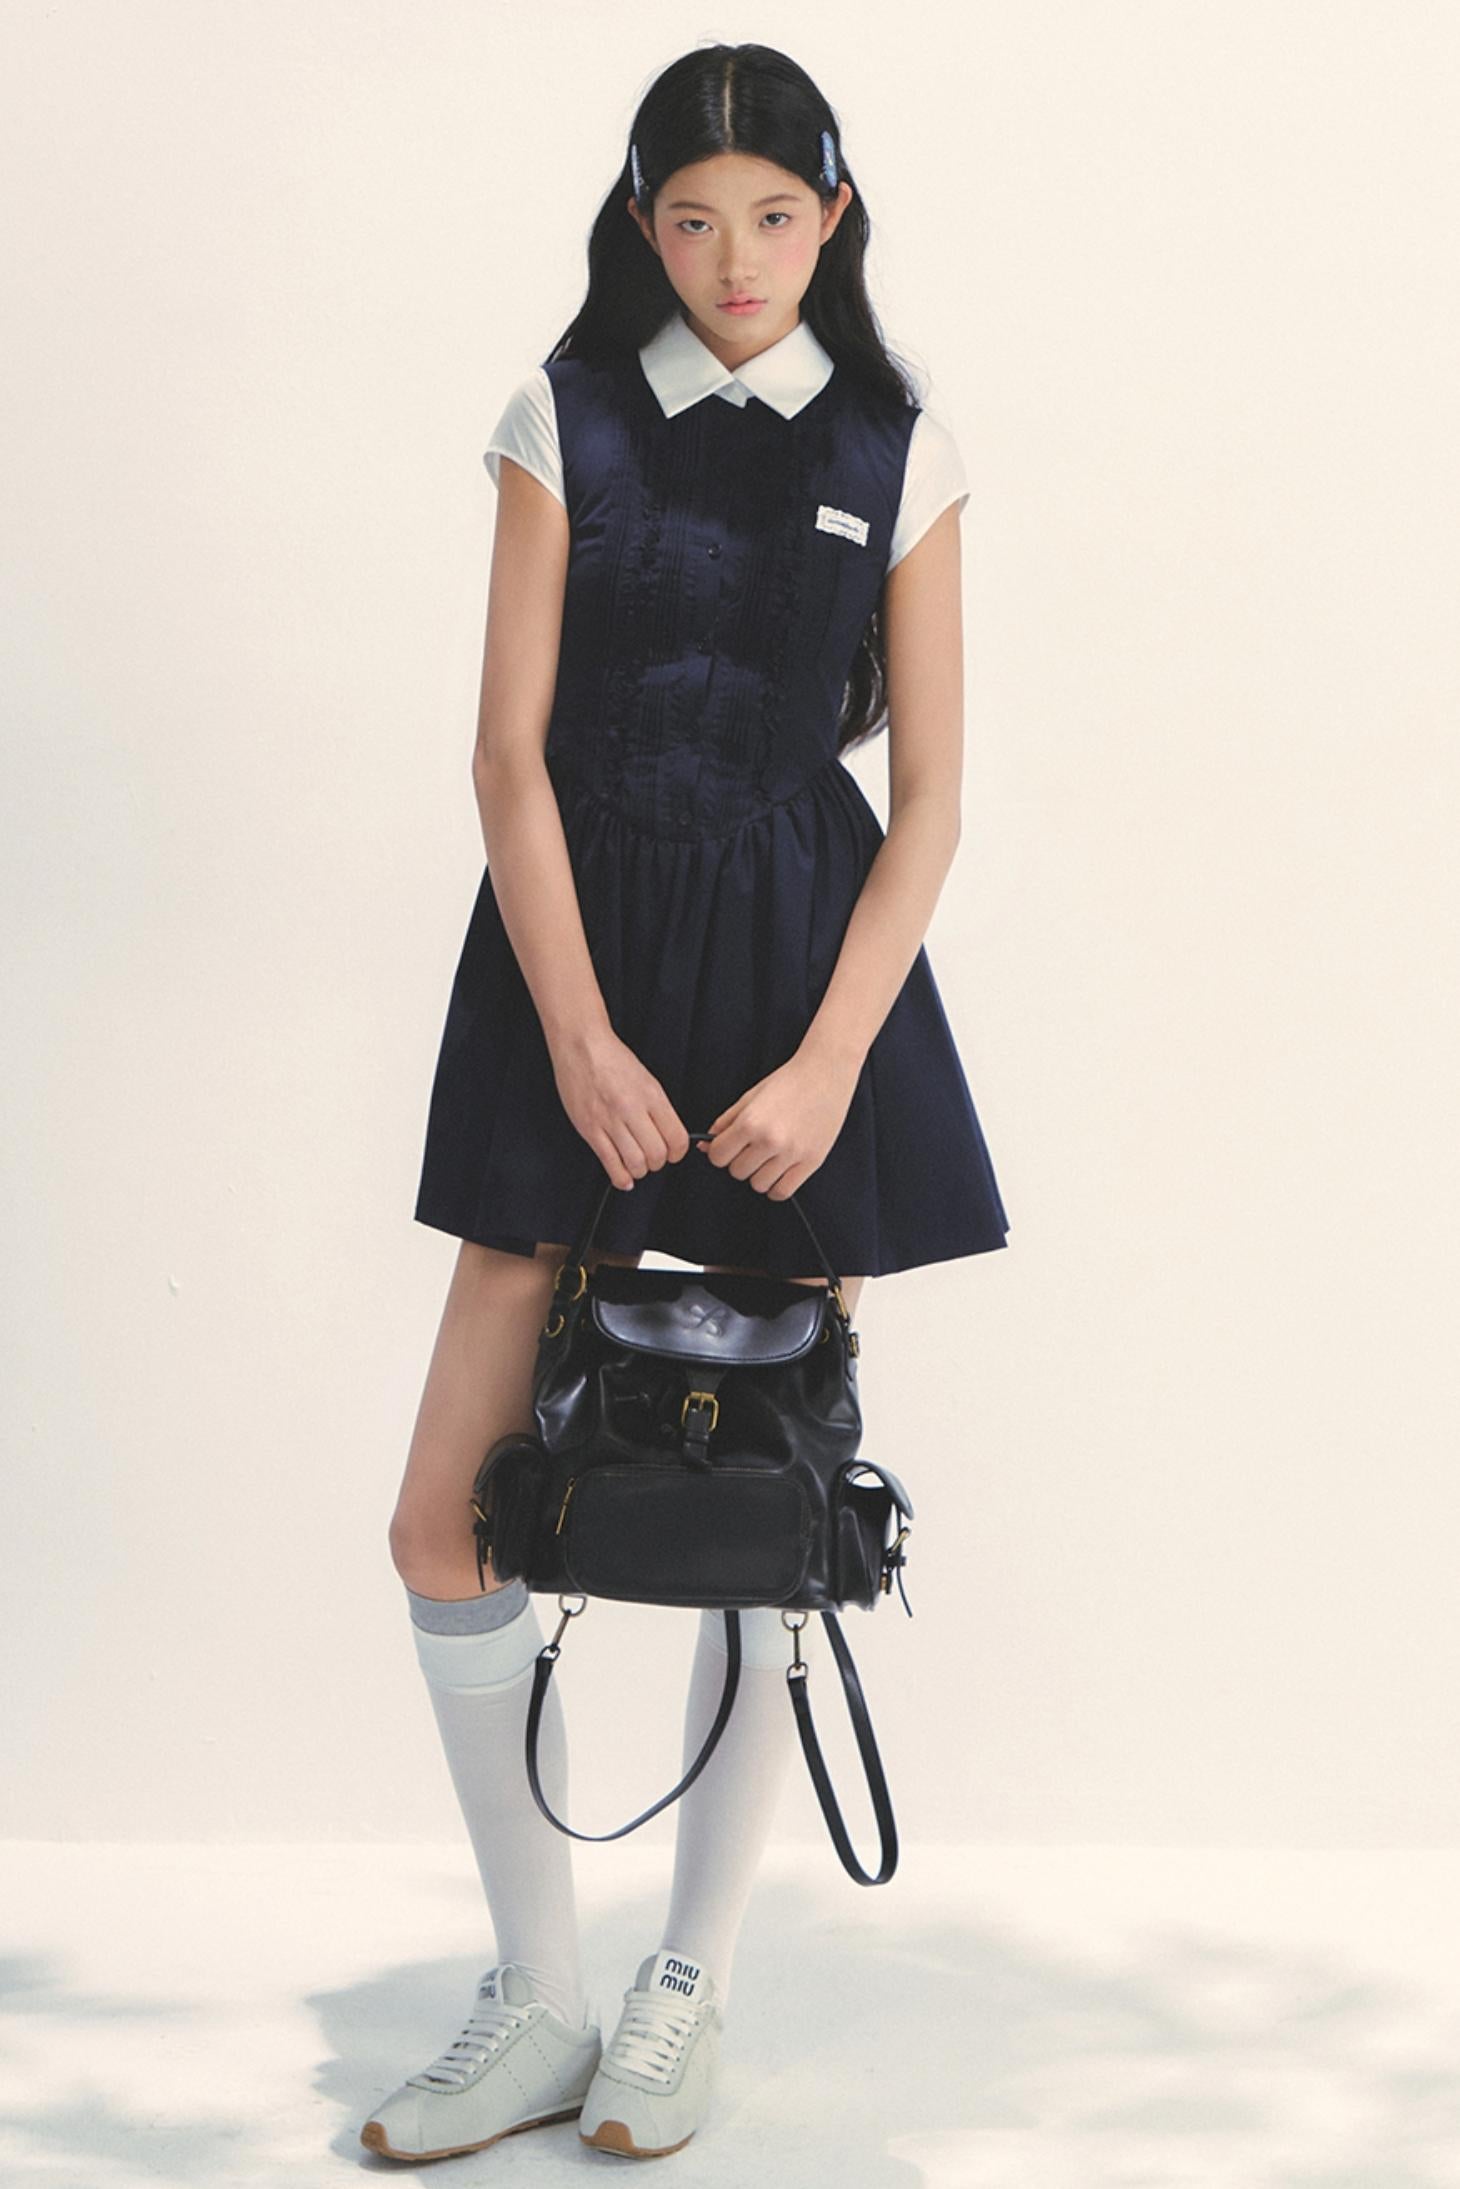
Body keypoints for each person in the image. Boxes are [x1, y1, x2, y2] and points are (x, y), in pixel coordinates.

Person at [362, 39, 1010, 2167]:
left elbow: (932, 801)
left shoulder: (901, 445)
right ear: (643, 225)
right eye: (695, 217)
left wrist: (829, 1063)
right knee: (444, 1515)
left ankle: (684, 1990)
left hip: (799, 987)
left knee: (758, 1518)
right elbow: (505, 755)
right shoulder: (561, 416)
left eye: (776, 216)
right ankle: (535, 1990)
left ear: (834, 220)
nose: (737, 258)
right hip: (573, 970)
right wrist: (571, 1034)